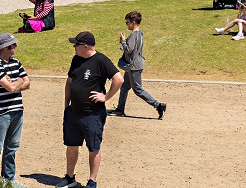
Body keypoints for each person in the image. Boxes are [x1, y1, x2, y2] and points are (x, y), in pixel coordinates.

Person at [57, 31, 123, 188]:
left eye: (76, 44)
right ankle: (69, 177)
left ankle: (92, 181)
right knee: (71, 145)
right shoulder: (76, 59)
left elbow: (118, 79)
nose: (73, 47)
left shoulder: (101, 60)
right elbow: (69, 83)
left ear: (85, 46)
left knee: (93, 147)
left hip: (92, 114)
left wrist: (105, 97)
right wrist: (66, 106)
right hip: (73, 113)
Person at [0, 33, 29, 186]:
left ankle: (8, 178)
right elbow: (10, 87)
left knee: (12, 147)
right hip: (0, 113)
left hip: (17, 111)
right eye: (13, 44)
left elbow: (27, 83)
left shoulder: (15, 62)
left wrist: (17, 82)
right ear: (5, 47)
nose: (15, 46)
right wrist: (17, 82)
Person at [113, 12, 166, 119]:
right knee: (124, 87)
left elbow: (129, 49)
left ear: (133, 22)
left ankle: (158, 105)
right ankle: (120, 109)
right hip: (134, 65)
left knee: (137, 89)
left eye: (127, 22)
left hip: (134, 66)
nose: (126, 24)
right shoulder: (140, 33)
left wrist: (123, 41)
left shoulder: (133, 35)